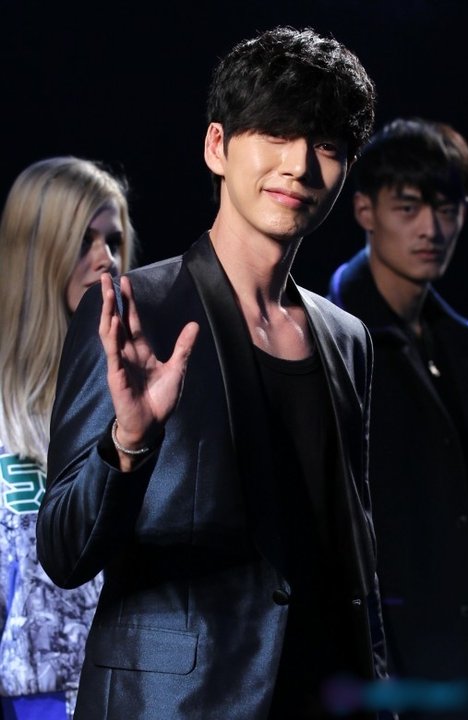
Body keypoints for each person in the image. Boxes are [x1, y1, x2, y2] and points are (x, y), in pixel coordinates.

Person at [36, 27, 391, 720]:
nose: (299, 165)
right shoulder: (134, 308)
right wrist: (128, 445)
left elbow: (353, 551)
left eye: (325, 145)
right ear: (217, 147)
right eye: (276, 134)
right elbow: (63, 551)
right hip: (173, 701)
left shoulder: (347, 338)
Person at [328, 118, 468, 718]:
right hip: (383, 667)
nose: (431, 230)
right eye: (409, 208)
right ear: (365, 209)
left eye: (447, 209)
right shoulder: (332, 340)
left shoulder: (464, 347)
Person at [0, 157, 135, 720]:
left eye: (113, 241)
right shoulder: (5, 408)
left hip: (140, 684)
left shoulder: (144, 393)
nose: (105, 259)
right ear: (36, 252)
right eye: (83, 241)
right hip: (38, 699)